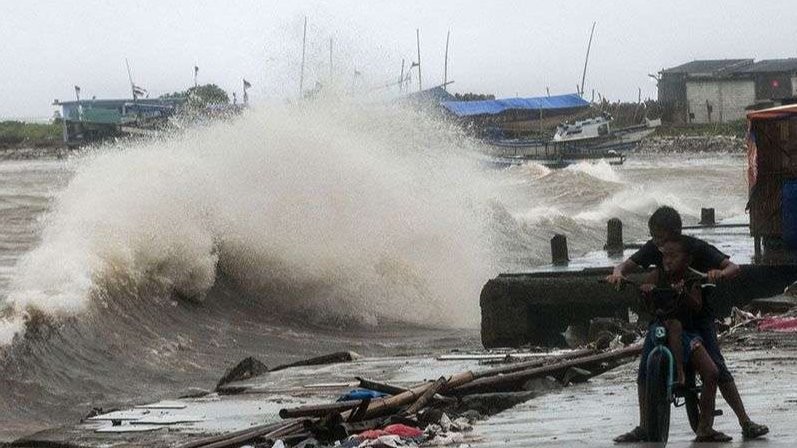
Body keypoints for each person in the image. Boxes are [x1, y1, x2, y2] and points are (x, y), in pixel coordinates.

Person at [610, 206, 769, 442]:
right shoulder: (655, 250)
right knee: (644, 369)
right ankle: (644, 425)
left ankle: (744, 421)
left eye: (661, 238)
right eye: (654, 238)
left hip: (697, 318)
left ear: (676, 233)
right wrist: (618, 274)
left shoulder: (695, 249)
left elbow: (732, 267)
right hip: (668, 315)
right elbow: (626, 267)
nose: (659, 247)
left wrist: (718, 274)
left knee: (716, 367)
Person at [640, 237, 726, 441]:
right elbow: (646, 305)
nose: (667, 261)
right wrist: (645, 292)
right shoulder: (656, 275)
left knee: (712, 372)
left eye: (673, 256)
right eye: (664, 256)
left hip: (686, 335)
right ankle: (645, 423)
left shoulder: (690, 278)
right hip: (660, 330)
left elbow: (696, 305)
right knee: (643, 372)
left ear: (686, 260)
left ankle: (704, 427)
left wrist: (683, 293)